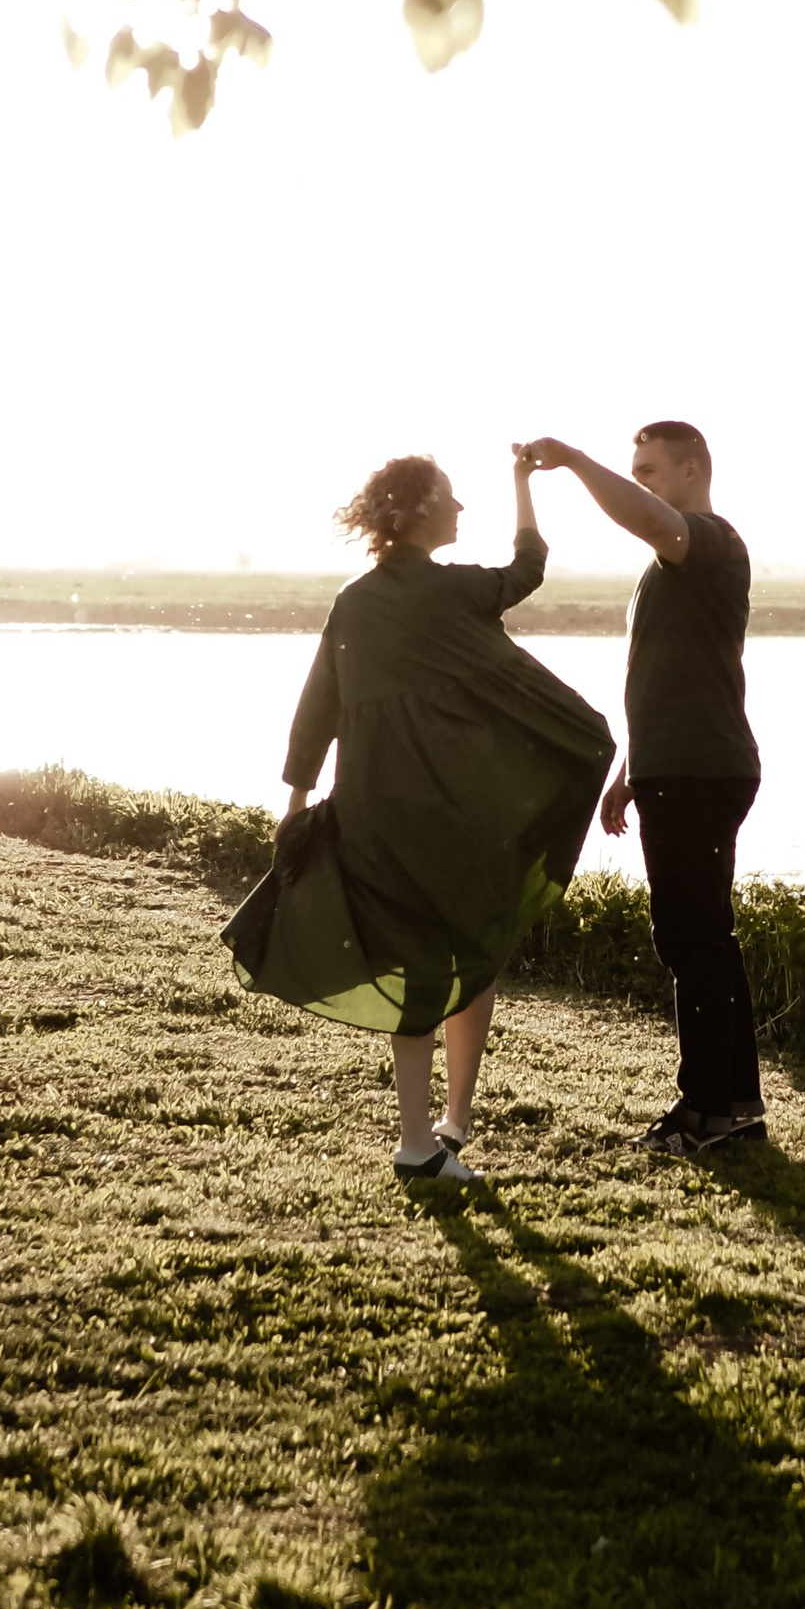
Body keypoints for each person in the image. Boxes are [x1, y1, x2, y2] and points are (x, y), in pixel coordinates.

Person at [224, 446, 612, 1187]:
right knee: (469, 942)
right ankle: (440, 1129)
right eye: (453, 496)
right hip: (448, 807)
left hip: (374, 808)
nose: (462, 508)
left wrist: (298, 799)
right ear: (416, 511)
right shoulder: (450, 592)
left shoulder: (354, 600)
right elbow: (528, 565)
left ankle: (427, 1135)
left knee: (421, 956)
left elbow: (318, 707)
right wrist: (522, 484)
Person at [519, 421, 763, 1154]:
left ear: (693, 471)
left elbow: (647, 516)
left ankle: (704, 1113)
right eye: (637, 468)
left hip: (701, 770)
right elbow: (673, 677)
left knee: (693, 940)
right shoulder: (671, 568)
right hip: (676, 766)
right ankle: (737, 1104)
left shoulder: (710, 542)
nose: (643, 481)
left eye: (652, 469)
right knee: (704, 936)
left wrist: (576, 463)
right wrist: (630, 769)